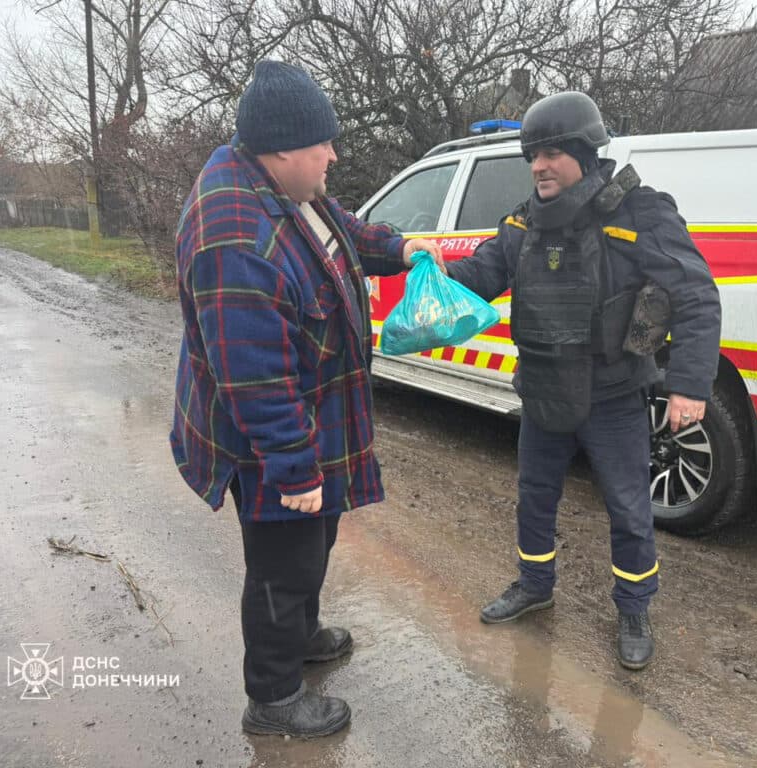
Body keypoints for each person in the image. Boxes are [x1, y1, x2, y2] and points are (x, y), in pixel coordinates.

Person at [169, 60, 443, 737]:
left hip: (306, 418)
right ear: (284, 147)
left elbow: (342, 231)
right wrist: (294, 468)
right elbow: (252, 374)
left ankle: (302, 629)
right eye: (324, 143)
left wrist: (402, 248)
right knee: (281, 561)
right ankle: (274, 697)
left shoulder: (285, 187)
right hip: (269, 442)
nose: (334, 155)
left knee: (314, 540)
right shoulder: (236, 237)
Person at [447, 91, 721, 670]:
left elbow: (695, 295)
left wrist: (690, 387)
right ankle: (534, 584)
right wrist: (435, 271)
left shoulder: (640, 212)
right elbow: (481, 273)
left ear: (583, 151)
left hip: (614, 393)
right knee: (535, 496)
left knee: (627, 506)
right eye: (532, 156)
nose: (539, 166)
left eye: (550, 153)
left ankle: (634, 607)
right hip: (544, 386)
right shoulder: (523, 220)